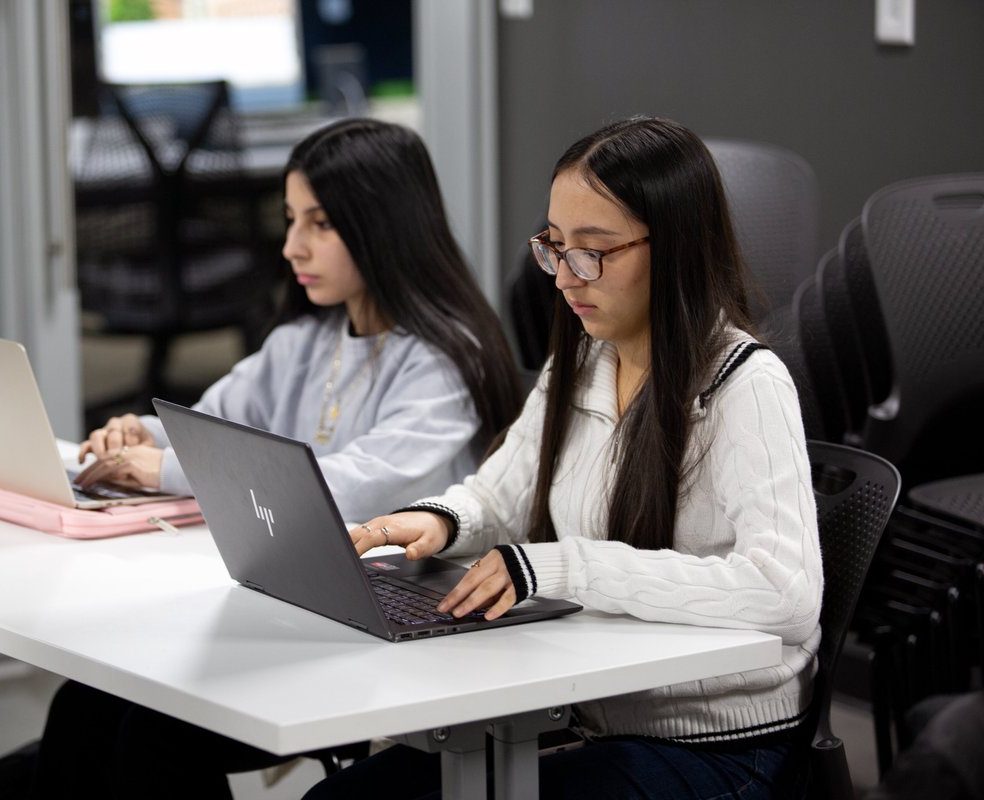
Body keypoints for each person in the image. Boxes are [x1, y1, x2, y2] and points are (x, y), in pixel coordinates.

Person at [305, 116, 824, 799]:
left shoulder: (745, 386)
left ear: (673, 249)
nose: (565, 277)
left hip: (717, 746)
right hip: (591, 715)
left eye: (595, 251)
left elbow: (785, 594)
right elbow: (498, 496)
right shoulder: (581, 361)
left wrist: (569, 567)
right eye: (555, 247)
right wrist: (436, 521)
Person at [33, 117, 524, 799]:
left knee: (155, 735)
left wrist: (165, 470)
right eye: (291, 219)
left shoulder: (443, 362)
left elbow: (344, 489)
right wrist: (143, 438)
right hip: (297, 608)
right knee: (86, 706)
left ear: (382, 225)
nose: (292, 245)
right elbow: (213, 427)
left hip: (386, 634)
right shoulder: (305, 340)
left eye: (319, 224)